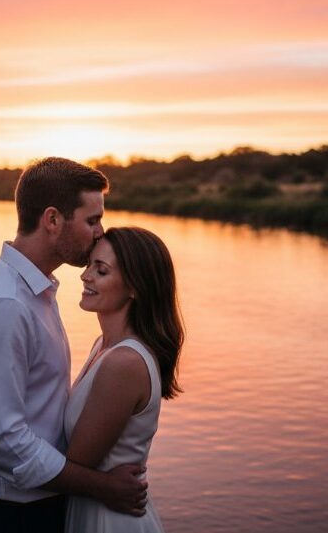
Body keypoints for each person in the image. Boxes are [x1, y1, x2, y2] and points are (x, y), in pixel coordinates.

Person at [0, 157, 148, 533]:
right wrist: (104, 487)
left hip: (32, 510)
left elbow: (11, 427)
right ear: (53, 219)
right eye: (92, 220)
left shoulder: (34, 291)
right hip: (7, 518)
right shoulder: (6, 305)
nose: (100, 232)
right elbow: (5, 442)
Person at [63, 226, 184, 532]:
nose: (85, 276)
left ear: (135, 288)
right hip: (91, 507)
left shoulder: (124, 363)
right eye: (90, 264)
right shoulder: (103, 347)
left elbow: (76, 462)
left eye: (100, 270)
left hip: (109, 519)